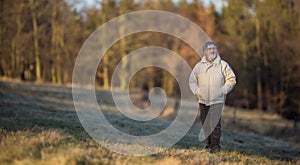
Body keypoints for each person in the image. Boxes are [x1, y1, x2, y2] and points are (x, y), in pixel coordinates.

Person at [189, 41, 236, 153]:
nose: (212, 50)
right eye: (210, 48)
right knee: (206, 124)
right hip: (203, 100)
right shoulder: (198, 66)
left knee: (215, 124)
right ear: (205, 51)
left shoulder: (223, 65)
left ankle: (215, 147)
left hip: (217, 100)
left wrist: (223, 90)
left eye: (214, 48)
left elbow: (232, 79)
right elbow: (192, 81)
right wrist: (198, 91)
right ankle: (208, 145)